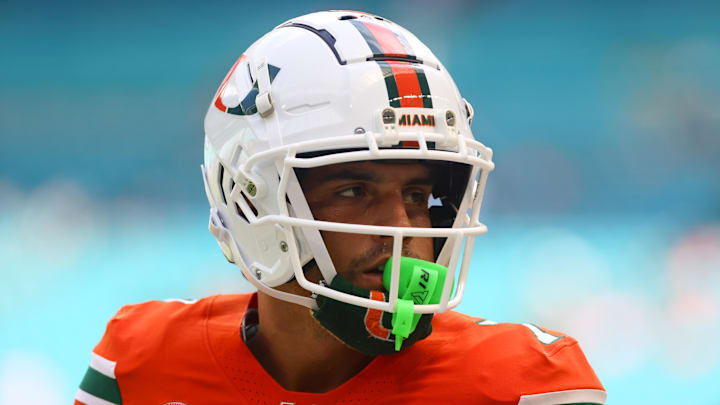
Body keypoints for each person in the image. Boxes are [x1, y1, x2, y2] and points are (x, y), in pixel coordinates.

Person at [75, 10, 606, 405]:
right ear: (251, 199)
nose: (403, 230)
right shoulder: (142, 365)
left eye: (418, 197)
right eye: (355, 192)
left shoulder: (528, 386)